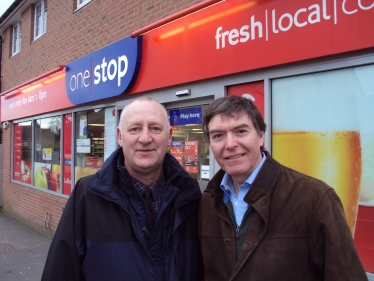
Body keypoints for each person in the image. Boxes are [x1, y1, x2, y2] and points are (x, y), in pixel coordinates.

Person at [198, 95, 367, 281]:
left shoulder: (315, 198)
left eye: (241, 131)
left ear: (261, 135)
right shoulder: (207, 202)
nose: (230, 144)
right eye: (218, 136)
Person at [42, 97, 203, 281]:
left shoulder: (190, 196)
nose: (145, 138)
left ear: (169, 136)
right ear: (120, 136)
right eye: (135, 129)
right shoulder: (87, 195)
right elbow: (60, 272)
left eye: (155, 128)